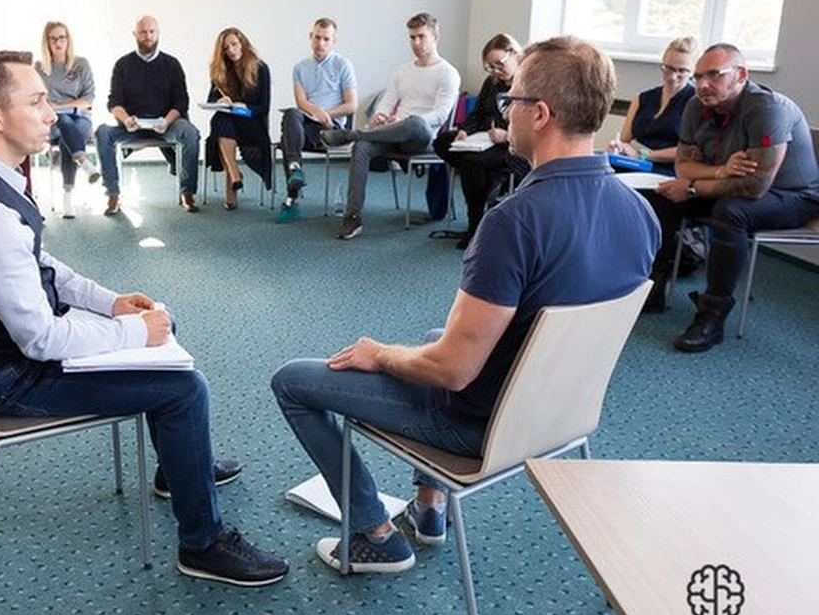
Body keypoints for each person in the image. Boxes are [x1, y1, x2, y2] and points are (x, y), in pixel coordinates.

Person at [272, 36, 658, 573]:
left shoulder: (513, 223)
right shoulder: (642, 214)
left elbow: (453, 372)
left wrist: (380, 354)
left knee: (293, 380)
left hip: (483, 426)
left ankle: (374, 534)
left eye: (512, 99)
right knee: (437, 336)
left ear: (540, 114)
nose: (506, 110)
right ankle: (429, 508)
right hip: (562, 415)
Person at [0, 50, 288, 587]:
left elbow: (42, 265)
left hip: (15, 349)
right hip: (16, 376)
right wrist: (132, 332)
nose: (51, 113)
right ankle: (202, 543)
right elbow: (40, 338)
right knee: (185, 389)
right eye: (36, 101)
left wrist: (112, 303)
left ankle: (179, 468)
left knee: (162, 325)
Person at [642, 43, 819, 348]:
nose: (703, 84)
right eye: (698, 76)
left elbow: (754, 187)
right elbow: (683, 168)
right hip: (734, 186)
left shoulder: (767, 109)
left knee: (730, 210)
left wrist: (694, 187)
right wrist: (722, 171)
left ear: (741, 75)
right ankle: (652, 285)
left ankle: (711, 316)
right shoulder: (696, 106)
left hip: (795, 197)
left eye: (714, 75)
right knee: (662, 195)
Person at [323, 13, 460, 240]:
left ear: (435, 36)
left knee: (414, 122)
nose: (416, 43)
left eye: (421, 37)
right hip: (393, 134)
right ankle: (353, 216)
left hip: (422, 137)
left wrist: (405, 121)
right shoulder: (402, 70)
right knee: (362, 148)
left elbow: (440, 115)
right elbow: (387, 102)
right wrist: (380, 116)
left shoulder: (448, 73)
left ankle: (354, 134)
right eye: (412, 37)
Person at [95, 16, 201, 215]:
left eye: (152, 32)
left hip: (165, 124)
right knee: (103, 133)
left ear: (158, 34)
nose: (148, 36)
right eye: (143, 32)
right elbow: (114, 102)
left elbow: (181, 101)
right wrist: (126, 119)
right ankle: (113, 195)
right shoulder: (123, 65)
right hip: (133, 125)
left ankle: (187, 193)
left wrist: (166, 121)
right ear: (135, 34)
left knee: (190, 132)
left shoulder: (172, 64)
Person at [433, 32, 530, 249]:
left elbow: (532, 127)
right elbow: (477, 114)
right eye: (491, 67)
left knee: (471, 163)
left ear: (514, 54)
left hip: (512, 147)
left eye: (499, 64)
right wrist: (464, 131)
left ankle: (475, 225)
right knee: (442, 142)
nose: (496, 70)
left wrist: (506, 136)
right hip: (485, 140)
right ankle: (490, 181)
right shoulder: (492, 82)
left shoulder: (529, 84)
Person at [277, 18, 357, 223]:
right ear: (310, 37)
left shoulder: (343, 65)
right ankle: (295, 167)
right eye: (317, 37)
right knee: (291, 114)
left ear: (334, 41)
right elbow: (301, 102)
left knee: (287, 138)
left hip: (332, 128)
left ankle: (292, 199)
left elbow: (351, 105)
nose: (321, 43)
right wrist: (317, 112)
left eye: (326, 39)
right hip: (308, 123)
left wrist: (326, 114)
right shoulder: (299, 68)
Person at [35, 20, 101, 218]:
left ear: (68, 39)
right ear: (47, 42)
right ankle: (83, 162)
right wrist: (56, 110)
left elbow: (88, 98)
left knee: (68, 134)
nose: (58, 42)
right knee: (63, 123)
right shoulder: (39, 67)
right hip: (52, 122)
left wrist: (60, 106)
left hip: (80, 119)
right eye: (53, 39)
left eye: (62, 38)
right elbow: (36, 99)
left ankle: (67, 198)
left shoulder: (81, 64)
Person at [203, 27, 272, 210]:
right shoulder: (220, 70)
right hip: (229, 123)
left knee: (222, 126)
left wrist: (246, 107)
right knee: (223, 120)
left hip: (252, 123)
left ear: (242, 43)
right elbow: (210, 99)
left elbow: (264, 106)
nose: (231, 50)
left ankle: (233, 182)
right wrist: (220, 101)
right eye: (226, 48)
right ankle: (234, 175)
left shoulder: (260, 68)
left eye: (234, 44)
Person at [608, 37, 698, 176]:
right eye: (668, 68)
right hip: (636, 164)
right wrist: (618, 147)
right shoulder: (642, 98)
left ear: (692, 71)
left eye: (682, 71)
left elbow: (690, 151)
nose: (673, 77)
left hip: (668, 170)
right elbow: (624, 140)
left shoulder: (696, 102)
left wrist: (643, 155)